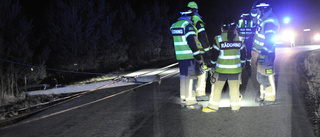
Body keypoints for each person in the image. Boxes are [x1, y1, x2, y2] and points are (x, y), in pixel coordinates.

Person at [202, 18, 246, 113]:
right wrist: (242, 64)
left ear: (222, 28)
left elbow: (214, 55)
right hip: (235, 70)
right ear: (235, 28)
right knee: (234, 90)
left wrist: (212, 65)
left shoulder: (219, 39)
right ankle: (235, 108)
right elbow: (243, 54)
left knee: (217, 89)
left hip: (221, 70)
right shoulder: (240, 39)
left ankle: (213, 107)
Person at [170, 8, 204, 109]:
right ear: (189, 16)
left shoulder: (174, 25)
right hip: (189, 56)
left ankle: (183, 100)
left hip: (180, 56)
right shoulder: (188, 26)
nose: (192, 18)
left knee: (183, 78)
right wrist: (198, 57)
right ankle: (191, 102)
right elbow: (192, 43)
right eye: (191, 16)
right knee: (191, 79)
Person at [252, 2, 280, 104]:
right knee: (261, 75)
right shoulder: (263, 19)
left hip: (267, 54)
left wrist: (263, 53)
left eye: (258, 10)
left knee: (268, 76)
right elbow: (254, 18)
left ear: (263, 9)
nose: (257, 12)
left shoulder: (270, 21)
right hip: (262, 53)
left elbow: (270, 40)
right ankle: (263, 96)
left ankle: (270, 98)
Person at [187, 1, 212, 101]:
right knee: (202, 72)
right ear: (196, 10)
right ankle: (200, 94)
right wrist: (208, 52)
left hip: (189, 52)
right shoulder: (198, 21)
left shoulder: (186, 21)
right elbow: (203, 38)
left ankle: (189, 94)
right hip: (199, 51)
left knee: (190, 73)